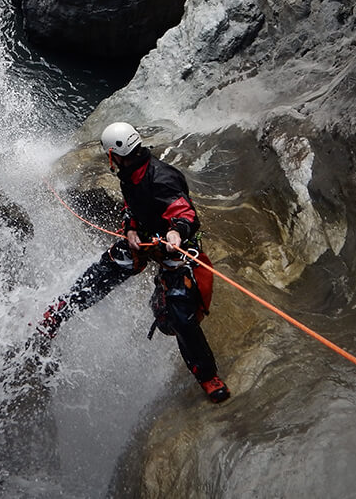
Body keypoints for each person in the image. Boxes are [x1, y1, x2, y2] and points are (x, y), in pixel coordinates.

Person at [37, 122, 230, 403]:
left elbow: (185, 213)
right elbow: (132, 206)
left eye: (109, 155)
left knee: (178, 317)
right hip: (145, 240)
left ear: (116, 154)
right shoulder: (131, 172)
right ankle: (57, 313)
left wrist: (176, 233)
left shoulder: (161, 177)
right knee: (104, 271)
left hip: (175, 249)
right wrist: (129, 230)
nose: (109, 160)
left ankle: (208, 377)